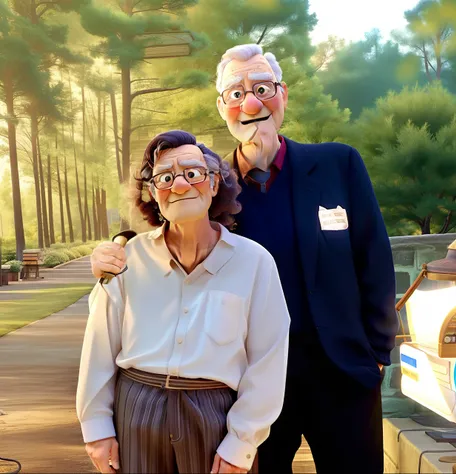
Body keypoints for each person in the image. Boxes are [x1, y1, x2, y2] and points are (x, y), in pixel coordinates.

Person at [90, 44, 398, 474]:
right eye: (235, 93)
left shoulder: (338, 164)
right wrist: (114, 251)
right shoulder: (213, 185)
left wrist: (378, 350)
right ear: (223, 109)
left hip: (342, 370)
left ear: (283, 95)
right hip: (249, 383)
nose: (251, 102)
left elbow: (375, 258)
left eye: (261, 87)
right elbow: (171, 236)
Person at [77, 130, 290, 474]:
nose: (179, 186)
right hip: (136, 407)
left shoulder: (254, 262)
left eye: (192, 173)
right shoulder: (126, 258)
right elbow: (99, 346)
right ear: (152, 193)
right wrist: (96, 429)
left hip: (214, 413)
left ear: (215, 183)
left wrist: (242, 441)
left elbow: (268, 359)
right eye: (165, 177)